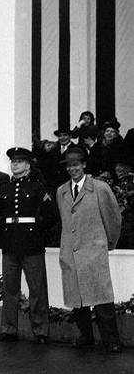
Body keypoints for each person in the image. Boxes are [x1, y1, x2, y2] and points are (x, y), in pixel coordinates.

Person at [56, 146, 123, 352]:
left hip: (94, 251)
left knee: (102, 298)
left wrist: (107, 244)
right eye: (68, 165)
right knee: (78, 300)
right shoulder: (61, 191)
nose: (72, 169)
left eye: (75, 164)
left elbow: (113, 219)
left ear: (84, 164)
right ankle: (86, 336)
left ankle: (111, 340)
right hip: (71, 252)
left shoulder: (100, 188)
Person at [0, 147, 58, 344]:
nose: (15, 164)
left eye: (19, 162)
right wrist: (1, 234)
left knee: (37, 289)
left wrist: (37, 229)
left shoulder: (37, 188)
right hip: (10, 243)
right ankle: (9, 329)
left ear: (27, 166)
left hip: (32, 244)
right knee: (10, 289)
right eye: (13, 161)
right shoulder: (4, 189)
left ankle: (41, 330)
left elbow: (52, 216)